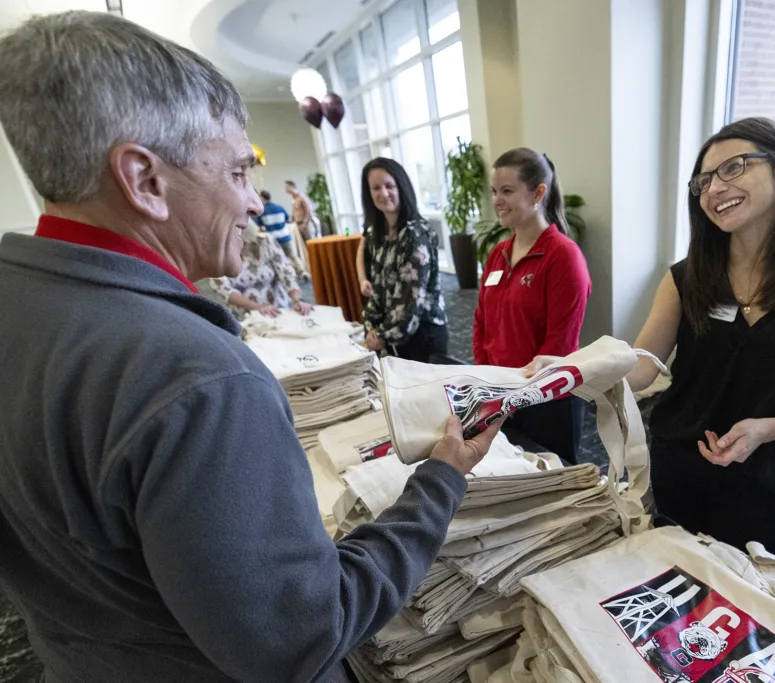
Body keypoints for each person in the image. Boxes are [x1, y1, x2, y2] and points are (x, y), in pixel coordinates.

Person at [0, 12, 502, 683]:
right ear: (143, 180)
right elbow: (300, 632)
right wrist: (440, 479)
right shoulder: (199, 375)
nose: (249, 202)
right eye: (237, 170)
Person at [578, 117, 775, 553]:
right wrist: (574, 372)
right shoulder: (688, 277)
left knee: (739, 600)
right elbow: (645, 363)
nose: (715, 189)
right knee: (669, 577)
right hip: (677, 460)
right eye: (703, 181)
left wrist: (768, 429)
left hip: (764, 475)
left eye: (735, 167)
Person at [474, 148, 592, 464]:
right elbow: (481, 323)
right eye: (495, 191)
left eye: (507, 191)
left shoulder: (563, 257)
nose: (497, 200)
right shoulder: (498, 254)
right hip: (500, 396)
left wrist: (515, 397)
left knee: (549, 486)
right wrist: (488, 386)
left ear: (538, 192)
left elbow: (559, 345)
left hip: (546, 401)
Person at [357, 157, 448, 362]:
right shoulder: (378, 233)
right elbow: (377, 288)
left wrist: (380, 336)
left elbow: (410, 300)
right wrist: (370, 327)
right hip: (393, 333)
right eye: (376, 188)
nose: (383, 193)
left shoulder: (416, 235)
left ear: (402, 187)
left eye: (389, 186)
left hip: (422, 336)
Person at [210, 223, 314, 318]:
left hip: (279, 309)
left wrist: (297, 300)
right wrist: (258, 307)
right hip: (247, 316)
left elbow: (285, 272)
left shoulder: (266, 242)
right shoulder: (217, 255)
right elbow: (225, 290)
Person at [253, 189, 306, 277]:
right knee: (293, 256)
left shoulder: (262, 211)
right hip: (285, 237)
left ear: (262, 197)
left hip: (273, 240)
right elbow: (288, 219)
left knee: (277, 259)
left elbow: (259, 225)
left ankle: (285, 276)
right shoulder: (279, 207)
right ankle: (302, 272)